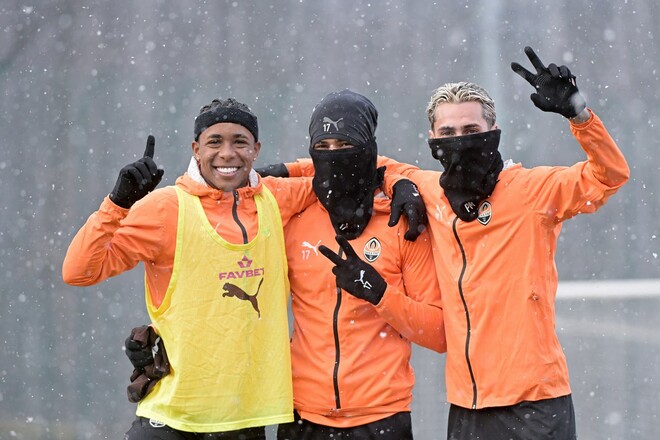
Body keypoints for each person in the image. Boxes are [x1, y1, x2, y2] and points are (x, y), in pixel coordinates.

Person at [125, 90, 445, 439]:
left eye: (345, 146)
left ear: (368, 148)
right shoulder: (291, 214)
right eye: (323, 148)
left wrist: (379, 292)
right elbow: (227, 280)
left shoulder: (403, 220)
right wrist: (167, 337)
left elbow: (438, 332)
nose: (334, 158)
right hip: (300, 416)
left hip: (383, 417)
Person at [376, 46, 629, 439]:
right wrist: (401, 182)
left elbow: (609, 175)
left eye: (471, 131)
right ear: (431, 138)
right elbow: (373, 164)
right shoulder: (430, 190)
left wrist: (579, 114)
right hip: (467, 405)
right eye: (447, 134)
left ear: (493, 131)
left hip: (535, 402)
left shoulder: (531, 190)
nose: (458, 142)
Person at [62, 98, 319, 439]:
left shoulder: (275, 197)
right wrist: (118, 203)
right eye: (215, 142)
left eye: (239, 142)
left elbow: (345, 167)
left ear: (256, 149)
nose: (227, 153)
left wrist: (285, 169)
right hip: (171, 419)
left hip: (244, 422)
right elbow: (79, 271)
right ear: (196, 149)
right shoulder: (165, 208)